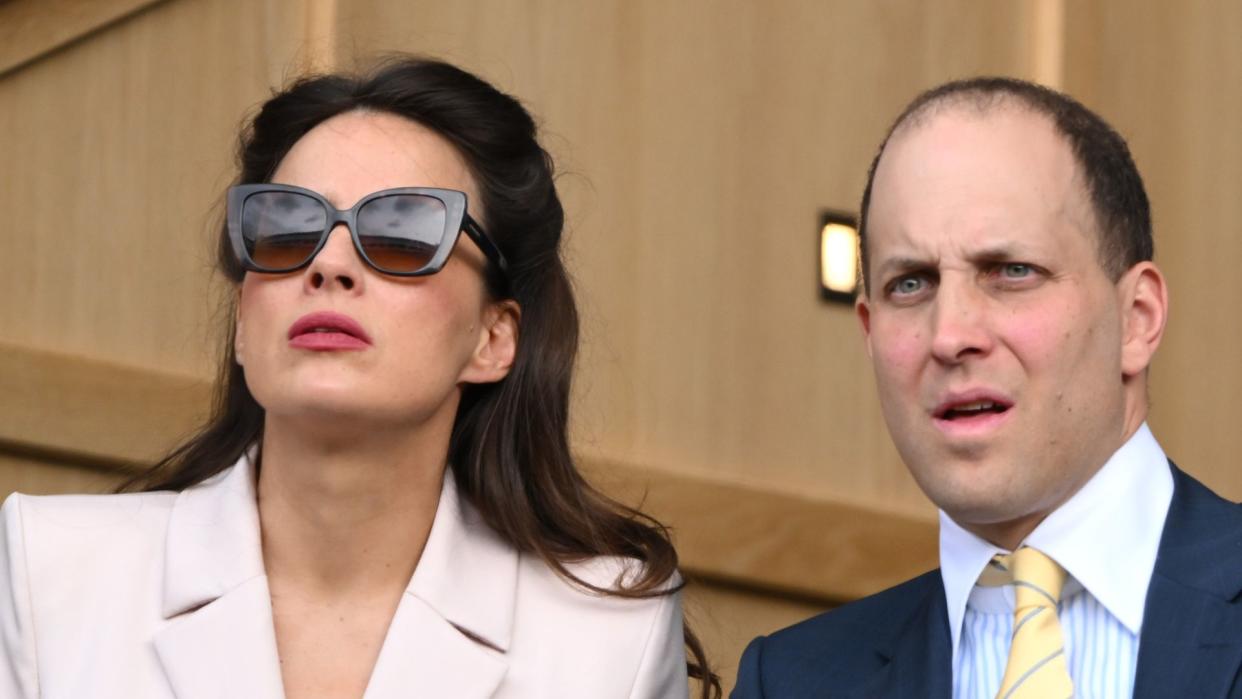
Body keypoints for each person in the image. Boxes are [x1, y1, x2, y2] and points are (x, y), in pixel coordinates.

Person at [0, 56, 719, 698]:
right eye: (285, 227)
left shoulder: (607, 630)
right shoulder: (50, 571)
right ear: (244, 322)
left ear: (494, 338)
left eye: (402, 234)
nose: (329, 264)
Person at [733, 77, 1242, 698]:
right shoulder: (789, 683)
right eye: (912, 283)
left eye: (1011, 272)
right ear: (868, 331)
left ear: (1137, 318)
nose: (950, 335)